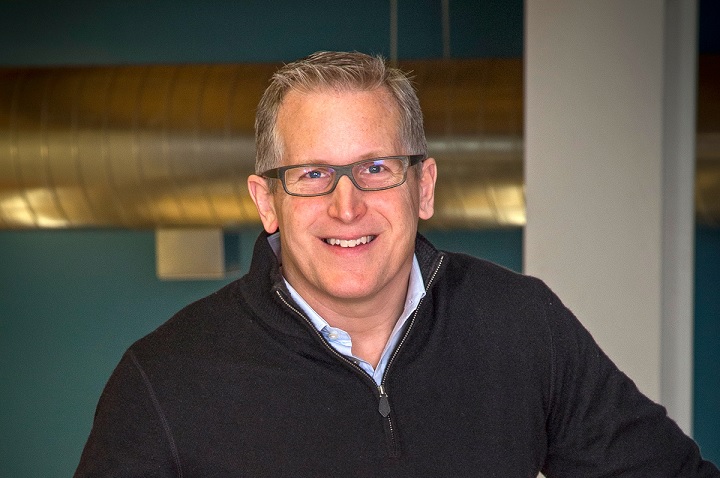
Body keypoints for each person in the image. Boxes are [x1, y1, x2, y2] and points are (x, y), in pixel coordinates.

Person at [75, 51, 719, 477]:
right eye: (313, 174)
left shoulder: (522, 325)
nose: (346, 206)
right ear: (267, 201)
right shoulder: (164, 379)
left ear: (424, 187)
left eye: (376, 168)